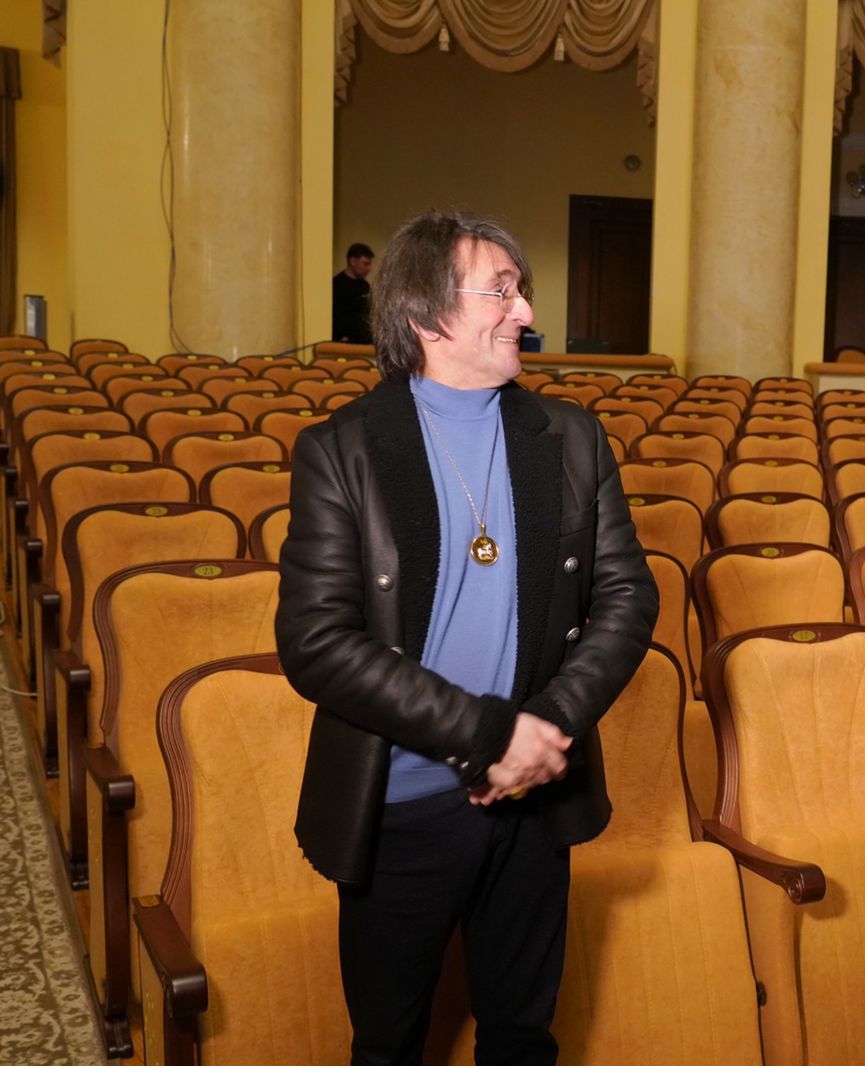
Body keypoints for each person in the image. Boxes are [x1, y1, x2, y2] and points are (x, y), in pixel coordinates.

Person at [278, 211, 658, 1065]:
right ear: (427, 315)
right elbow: (316, 641)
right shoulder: (342, 451)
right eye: (502, 292)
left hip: (535, 796)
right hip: (401, 805)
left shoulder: (570, 437)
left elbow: (629, 596)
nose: (527, 312)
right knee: (390, 1044)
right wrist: (488, 734)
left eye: (521, 291)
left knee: (522, 1037)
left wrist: (546, 727)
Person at [332, 241, 375, 343]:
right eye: (365, 264)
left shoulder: (366, 286)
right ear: (353, 261)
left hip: (365, 342)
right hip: (343, 343)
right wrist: (341, 336)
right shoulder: (336, 285)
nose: (369, 268)